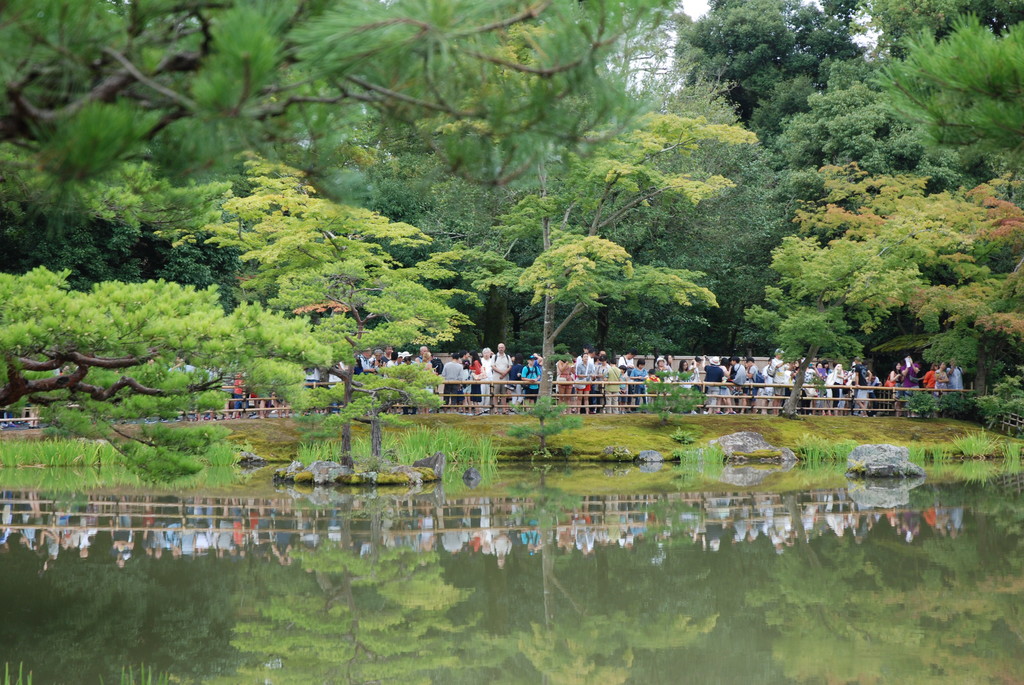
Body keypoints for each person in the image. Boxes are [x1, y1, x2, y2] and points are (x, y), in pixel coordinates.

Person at [491, 343, 513, 413]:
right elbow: (493, 366)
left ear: (504, 348)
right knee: (496, 394)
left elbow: (510, 366)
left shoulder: (507, 356)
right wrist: (501, 372)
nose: (501, 349)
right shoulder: (494, 357)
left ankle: (504, 409)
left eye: (502, 347)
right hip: (496, 378)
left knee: (504, 394)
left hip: (505, 379)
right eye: (500, 347)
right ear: (497, 348)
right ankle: (496, 409)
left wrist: (504, 373)